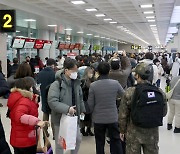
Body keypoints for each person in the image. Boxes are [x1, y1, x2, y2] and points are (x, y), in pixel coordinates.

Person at [119, 62, 167, 154]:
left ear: (137, 75)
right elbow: (164, 112)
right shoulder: (159, 92)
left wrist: (122, 130)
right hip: (152, 133)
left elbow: (123, 115)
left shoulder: (130, 92)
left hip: (133, 132)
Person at [48, 58, 86, 154]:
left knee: (77, 139)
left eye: (76, 70)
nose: (75, 73)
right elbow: (52, 101)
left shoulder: (77, 83)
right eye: (73, 71)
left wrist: (82, 109)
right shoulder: (56, 84)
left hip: (74, 117)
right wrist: (67, 109)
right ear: (66, 70)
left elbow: (80, 97)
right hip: (60, 118)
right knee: (60, 144)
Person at [88, 62, 124, 154]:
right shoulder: (115, 83)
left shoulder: (93, 86)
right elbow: (124, 95)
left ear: (98, 72)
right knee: (115, 140)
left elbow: (90, 105)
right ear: (109, 71)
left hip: (98, 119)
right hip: (112, 117)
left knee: (99, 142)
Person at [7, 78, 48, 154]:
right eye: (32, 87)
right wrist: (37, 121)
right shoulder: (24, 100)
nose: (33, 89)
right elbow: (20, 116)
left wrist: (34, 102)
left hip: (21, 138)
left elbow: (29, 110)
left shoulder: (19, 98)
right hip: (25, 141)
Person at [37, 58, 56, 139]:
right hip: (53, 96)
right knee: (54, 115)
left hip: (44, 95)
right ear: (53, 65)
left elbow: (38, 83)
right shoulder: (54, 73)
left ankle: (45, 132)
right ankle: (55, 134)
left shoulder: (40, 73)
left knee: (45, 113)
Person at [80, 67, 95, 136]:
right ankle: (82, 129)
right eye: (90, 73)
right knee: (83, 115)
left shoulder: (94, 80)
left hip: (91, 100)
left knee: (90, 116)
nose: (91, 74)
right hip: (84, 100)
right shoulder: (83, 81)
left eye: (92, 73)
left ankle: (88, 129)